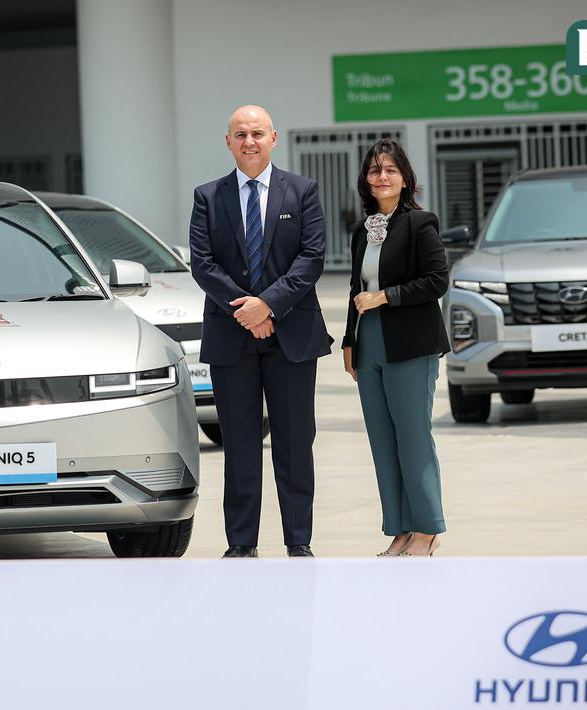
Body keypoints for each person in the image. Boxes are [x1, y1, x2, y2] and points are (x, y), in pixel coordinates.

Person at [189, 105, 331, 559]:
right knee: (241, 445)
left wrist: (267, 305)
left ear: (274, 138)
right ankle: (241, 543)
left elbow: (311, 258)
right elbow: (203, 264)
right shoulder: (208, 196)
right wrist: (247, 311)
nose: (249, 141)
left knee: (294, 443)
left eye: (257, 133)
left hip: (292, 336)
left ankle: (298, 541)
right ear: (228, 142)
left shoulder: (303, 192)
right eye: (240, 134)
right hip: (232, 339)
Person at [340, 138, 449, 557]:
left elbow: (436, 280)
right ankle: (399, 528)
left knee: (413, 435)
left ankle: (427, 528)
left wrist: (385, 297)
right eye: (374, 171)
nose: (381, 177)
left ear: (405, 178)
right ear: (366, 181)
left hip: (410, 342)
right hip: (369, 344)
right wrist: (350, 340)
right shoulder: (361, 231)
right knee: (382, 438)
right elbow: (355, 288)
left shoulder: (421, 224)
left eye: (389, 170)